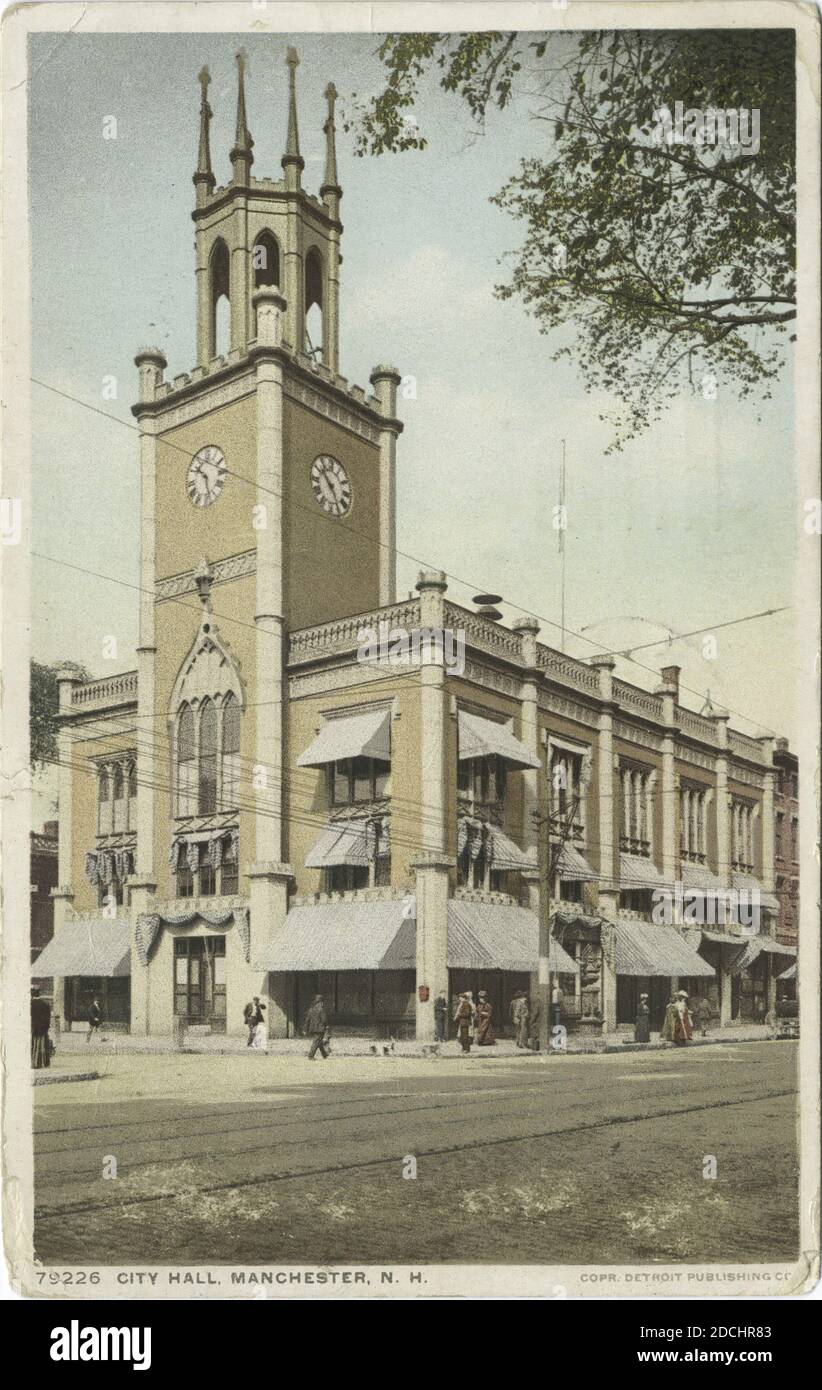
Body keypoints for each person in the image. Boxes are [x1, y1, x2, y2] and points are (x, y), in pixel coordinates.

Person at [304, 994, 330, 1059]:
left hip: (313, 1029)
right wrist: (326, 1026)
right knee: (316, 1042)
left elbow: (307, 1020)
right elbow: (324, 1019)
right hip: (320, 1029)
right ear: (320, 1002)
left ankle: (324, 1054)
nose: (322, 1003)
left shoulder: (311, 1009)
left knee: (319, 1042)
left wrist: (305, 1029)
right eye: (322, 1002)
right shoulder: (321, 1010)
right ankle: (311, 1055)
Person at [31, 988, 51, 1069]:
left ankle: (34, 1063)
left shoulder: (30, 1004)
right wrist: (46, 1027)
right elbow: (48, 1018)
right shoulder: (45, 1004)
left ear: (32, 995)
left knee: (33, 1045)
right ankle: (43, 1063)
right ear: (39, 995)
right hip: (42, 1029)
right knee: (42, 1045)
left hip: (33, 1028)